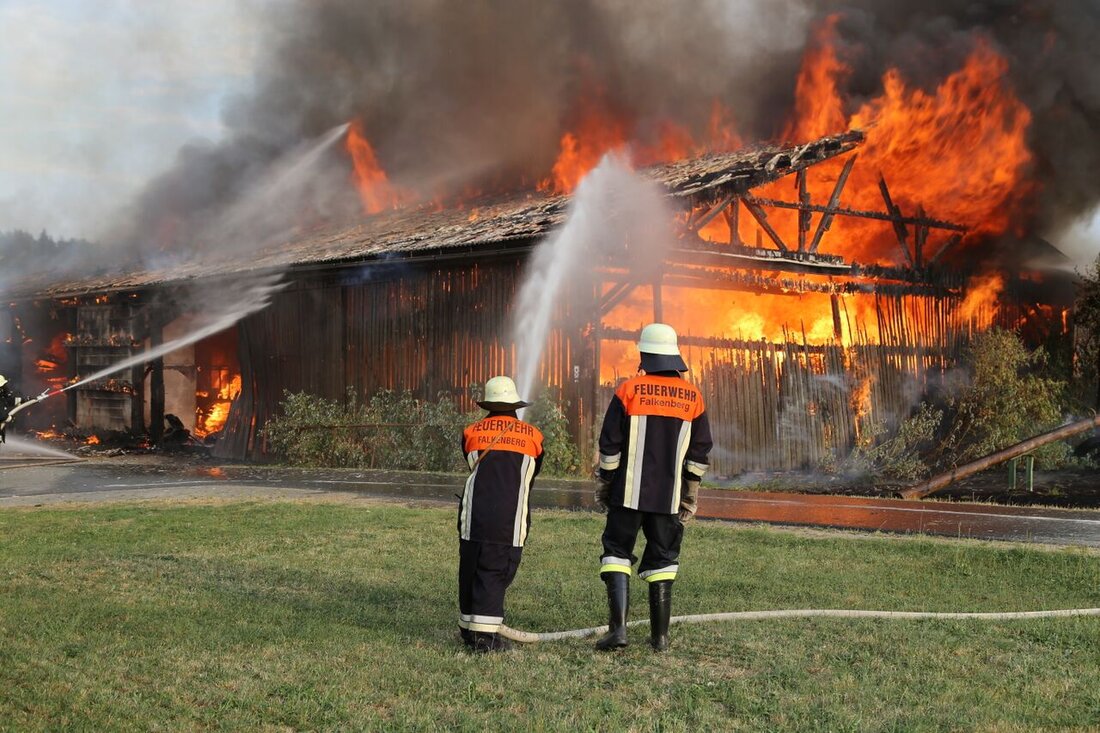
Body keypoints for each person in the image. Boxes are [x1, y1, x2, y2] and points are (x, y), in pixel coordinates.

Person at [593, 323, 713, 652]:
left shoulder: (628, 390)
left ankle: (618, 631)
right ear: (674, 357)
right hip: (668, 498)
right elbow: (700, 451)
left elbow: (609, 446)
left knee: (617, 553)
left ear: (644, 355)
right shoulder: (693, 397)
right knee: (663, 559)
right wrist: (690, 492)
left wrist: (606, 483)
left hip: (627, 495)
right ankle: (660, 638)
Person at [457, 376, 544, 653]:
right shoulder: (534, 436)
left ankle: (469, 629)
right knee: (495, 571)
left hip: (473, 514)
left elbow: (471, 461)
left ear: (488, 405)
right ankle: (485, 639)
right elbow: (533, 471)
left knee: (471, 569)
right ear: (515, 405)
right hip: (509, 517)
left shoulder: (471, 432)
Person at [0, 374, 43, 445]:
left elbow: (9, 401)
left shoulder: (2, 397)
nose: (5, 388)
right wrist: (7, 418)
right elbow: (1, 415)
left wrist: (26, 400)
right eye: (3, 386)